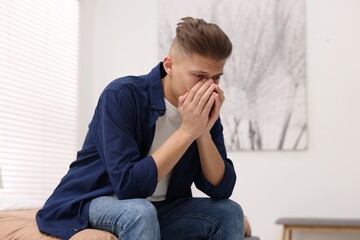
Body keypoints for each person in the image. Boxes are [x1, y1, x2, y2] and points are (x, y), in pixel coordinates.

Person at [36, 16, 244, 240]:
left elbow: (222, 189)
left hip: (160, 209)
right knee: (140, 212)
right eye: (200, 76)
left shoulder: (203, 110)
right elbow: (128, 187)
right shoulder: (121, 95)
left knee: (229, 212)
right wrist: (187, 131)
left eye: (216, 78)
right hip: (95, 200)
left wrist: (202, 132)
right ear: (169, 65)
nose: (209, 87)